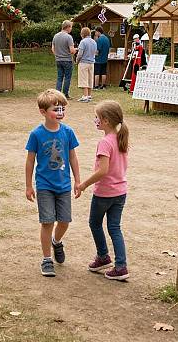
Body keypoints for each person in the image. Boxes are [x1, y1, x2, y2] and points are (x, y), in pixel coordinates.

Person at [25, 89, 80, 277]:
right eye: (56, 109)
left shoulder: (68, 132)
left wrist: (78, 181)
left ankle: (57, 241)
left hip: (64, 185)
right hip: (44, 186)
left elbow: (72, 157)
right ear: (43, 112)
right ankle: (47, 259)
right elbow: (30, 160)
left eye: (62, 108)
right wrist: (28, 185)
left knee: (64, 221)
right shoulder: (36, 134)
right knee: (47, 222)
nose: (60, 113)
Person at [75, 100, 130, 281]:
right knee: (115, 227)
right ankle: (121, 266)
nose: (95, 120)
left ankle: (103, 256)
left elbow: (103, 170)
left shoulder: (105, 142)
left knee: (95, 223)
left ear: (105, 121)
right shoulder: (120, 139)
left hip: (104, 193)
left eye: (97, 118)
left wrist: (83, 185)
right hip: (120, 192)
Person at [51, 21, 77, 99]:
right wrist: (76, 49)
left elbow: (53, 48)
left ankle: (57, 94)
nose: (71, 29)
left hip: (58, 60)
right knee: (67, 77)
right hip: (67, 60)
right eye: (71, 27)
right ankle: (65, 94)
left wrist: (57, 55)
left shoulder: (56, 36)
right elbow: (72, 51)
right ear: (68, 27)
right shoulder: (69, 37)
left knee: (59, 77)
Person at [76, 27, 97, 102]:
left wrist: (77, 61)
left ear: (83, 34)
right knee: (90, 78)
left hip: (84, 62)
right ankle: (89, 95)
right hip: (91, 62)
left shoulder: (83, 42)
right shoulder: (94, 42)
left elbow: (80, 53)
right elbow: (95, 52)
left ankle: (85, 96)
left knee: (84, 79)